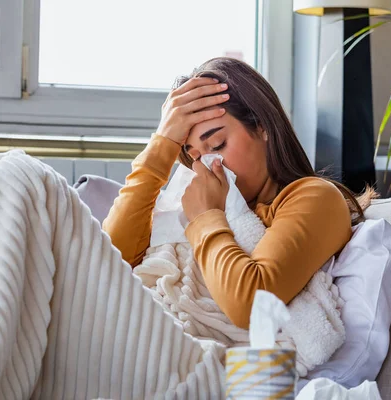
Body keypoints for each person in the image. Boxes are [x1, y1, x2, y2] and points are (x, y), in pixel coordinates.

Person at [102, 57, 376, 330]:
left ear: (262, 126)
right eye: (193, 156)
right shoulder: (196, 207)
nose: (207, 166)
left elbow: (251, 307)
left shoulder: (315, 198)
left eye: (217, 145)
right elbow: (108, 262)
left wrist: (205, 218)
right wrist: (163, 143)